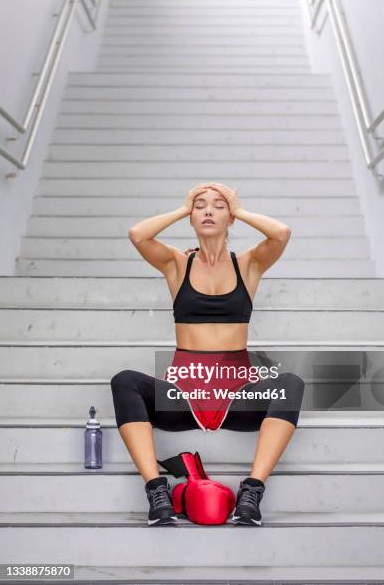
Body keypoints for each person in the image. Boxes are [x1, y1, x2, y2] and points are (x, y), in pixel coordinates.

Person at [111, 182, 305, 526]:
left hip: (235, 397)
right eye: (200, 206)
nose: (209, 211)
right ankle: (157, 490)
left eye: (218, 206)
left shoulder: (248, 265)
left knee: (290, 383)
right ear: (191, 217)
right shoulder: (176, 264)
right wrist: (182, 208)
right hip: (184, 395)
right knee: (125, 381)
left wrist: (240, 209)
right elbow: (137, 234)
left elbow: (282, 233)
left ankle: (252, 491)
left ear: (229, 217)